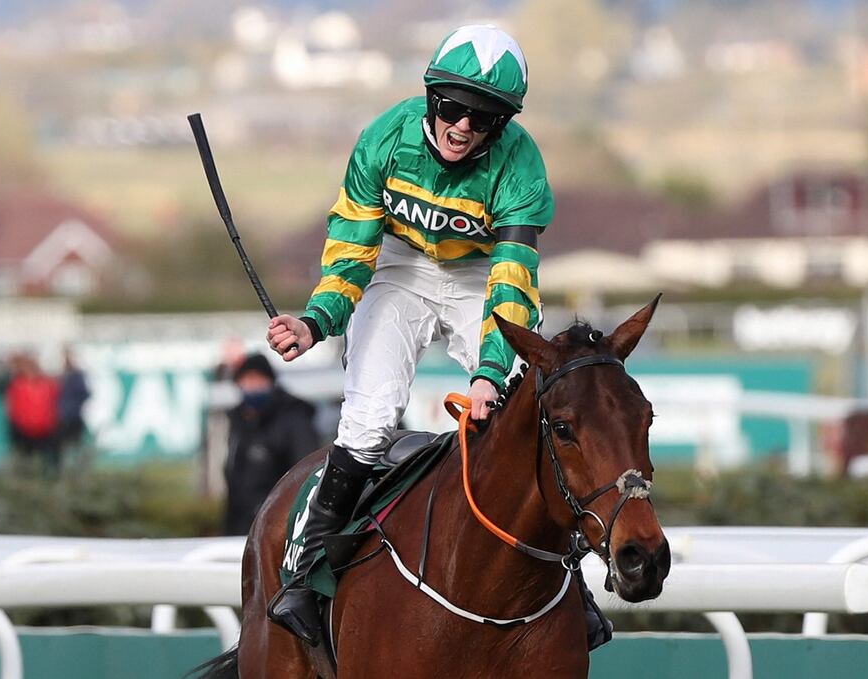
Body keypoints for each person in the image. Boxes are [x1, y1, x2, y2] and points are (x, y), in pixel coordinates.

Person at [266, 25, 610, 650]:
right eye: (452, 109)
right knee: (369, 422)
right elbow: (350, 252)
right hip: (397, 270)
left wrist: (488, 371)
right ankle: (303, 573)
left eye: (484, 119)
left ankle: (572, 586)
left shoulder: (521, 164)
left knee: (526, 403)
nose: (463, 128)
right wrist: (315, 322)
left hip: (480, 272)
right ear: (430, 98)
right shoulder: (382, 141)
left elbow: (511, 281)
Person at [223, 353, 319, 535]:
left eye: (257, 379)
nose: (252, 386)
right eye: (247, 380)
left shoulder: (294, 419)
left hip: (279, 529)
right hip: (241, 527)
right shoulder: (239, 422)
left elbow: (307, 475)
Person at [5, 353, 61, 477]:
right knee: (25, 462)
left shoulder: (48, 384)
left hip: (45, 430)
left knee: (48, 463)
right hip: (24, 431)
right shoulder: (17, 384)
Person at [56, 348, 90, 466]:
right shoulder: (62, 376)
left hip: (73, 416)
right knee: (63, 448)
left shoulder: (76, 377)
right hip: (63, 418)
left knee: (75, 446)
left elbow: (85, 393)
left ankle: (76, 470)